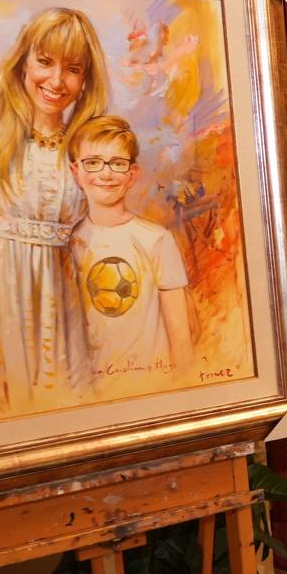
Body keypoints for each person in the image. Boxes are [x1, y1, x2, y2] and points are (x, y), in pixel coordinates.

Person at [0, 6, 112, 413]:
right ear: (23, 62)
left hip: (73, 331)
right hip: (2, 326)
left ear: (85, 78)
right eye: (45, 62)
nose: (56, 81)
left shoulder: (87, 149)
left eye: (72, 68)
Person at [67, 115, 194, 398]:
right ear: (75, 172)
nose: (106, 174)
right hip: (88, 394)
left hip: (150, 389)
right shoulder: (68, 243)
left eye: (117, 163)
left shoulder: (157, 240)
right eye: (93, 162)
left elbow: (181, 341)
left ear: (132, 174)